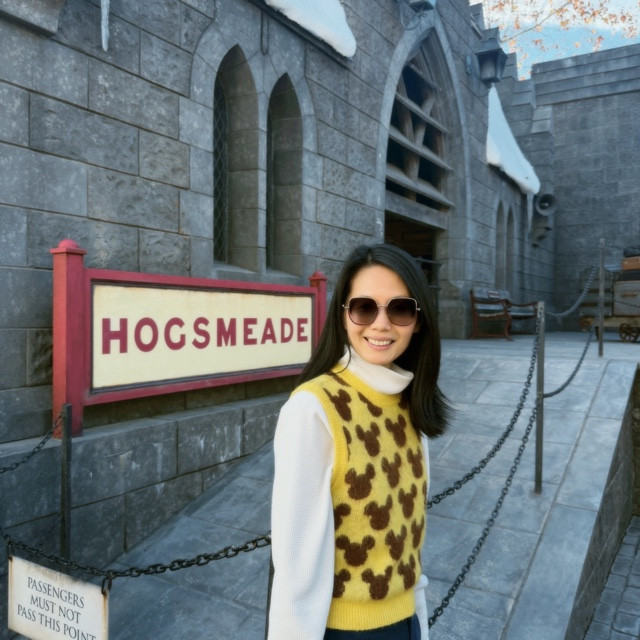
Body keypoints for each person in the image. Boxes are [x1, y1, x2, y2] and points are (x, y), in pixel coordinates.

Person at [268, 243, 449, 640]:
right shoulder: (313, 410)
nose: (381, 324)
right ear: (343, 315)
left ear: (419, 321)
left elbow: (409, 543)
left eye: (400, 309)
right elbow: (296, 571)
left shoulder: (409, 405)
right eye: (364, 308)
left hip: (406, 624)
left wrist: (420, 624)